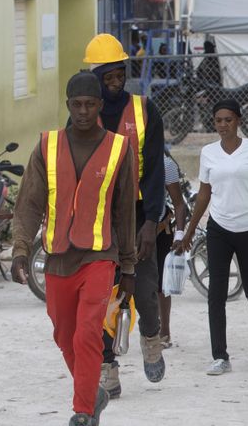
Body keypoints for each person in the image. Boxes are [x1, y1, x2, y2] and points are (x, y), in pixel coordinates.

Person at [10, 71, 136, 426]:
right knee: (64, 335)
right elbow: (29, 203)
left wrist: (128, 267)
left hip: (99, 256)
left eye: (90, 104)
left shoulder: (118, 148)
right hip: (58, 257)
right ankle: (93, 393)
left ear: (100, 105)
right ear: (67, 104)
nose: (83, 111)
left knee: (87, 333)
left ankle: (83, 411)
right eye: (76, 104)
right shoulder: (47, 146)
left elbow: (125, 211)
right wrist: (21, 249)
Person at [83, 33, 166, 398]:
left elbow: (156, 170)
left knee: (145, 290)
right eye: (108, 77)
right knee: (100, 295)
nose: (116, 82)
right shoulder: (84, 113)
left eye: (120, 74)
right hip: (99, 218)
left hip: (138, 214)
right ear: (95, 78)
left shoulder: (145, 110)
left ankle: (151, 336)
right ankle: (107, 368)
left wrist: (151, 221)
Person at [181, 99, 248, 375]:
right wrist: (190, 230)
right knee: (216, 294)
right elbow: (204, 194)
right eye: (218, 120)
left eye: (228, 120)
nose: (223, 125)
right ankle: (220, 355)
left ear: (239, 121)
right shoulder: (208, 152)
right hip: (219, 229)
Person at [157, 150, 188, 348]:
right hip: (129, 229)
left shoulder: (165, 164)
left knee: (162, 284)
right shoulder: (122, 156)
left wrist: (179, 234)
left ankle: (164, 332)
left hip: (160, 229)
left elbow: (179, 203)